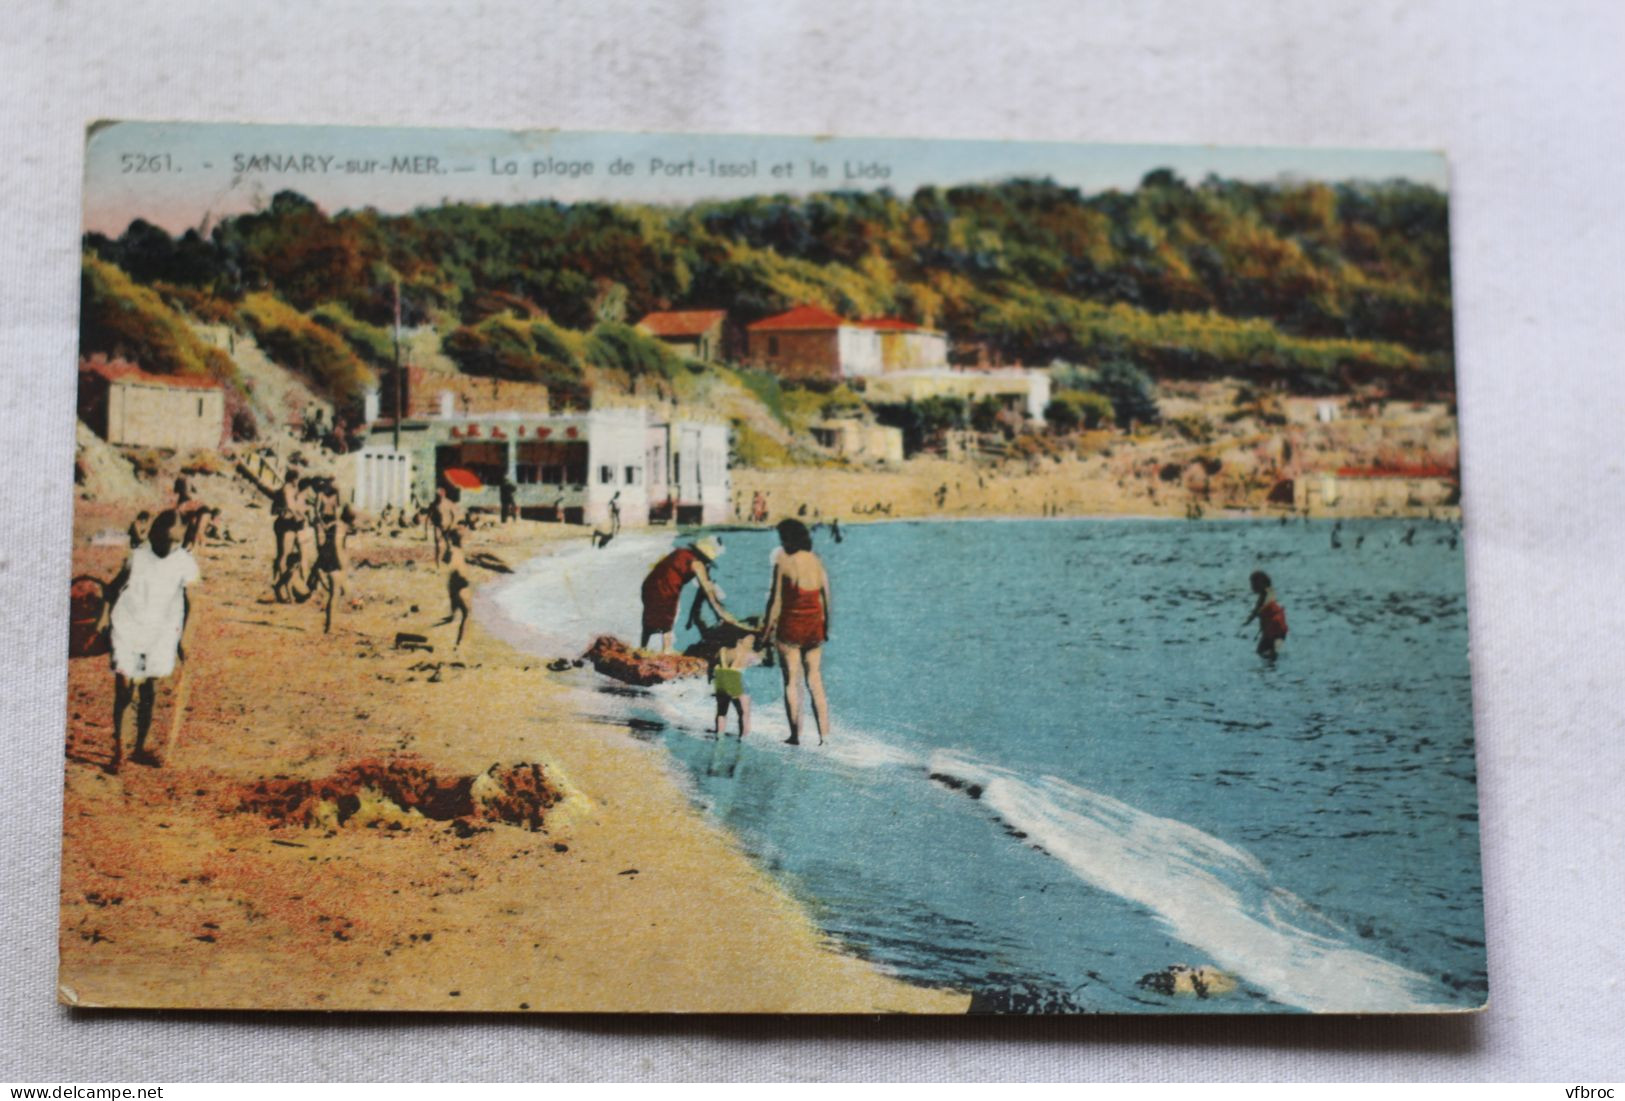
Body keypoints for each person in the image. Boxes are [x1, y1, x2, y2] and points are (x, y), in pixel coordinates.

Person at [99, 510, 199, 773]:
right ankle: (119, 750)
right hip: (128, 626)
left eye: (173, 543)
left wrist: (181, 639)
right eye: (164, 541)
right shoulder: (138, 558)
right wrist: (100, 616)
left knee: (148, 690)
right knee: (124, 687)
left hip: (160, 631)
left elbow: (189, 602)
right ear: (153, 536)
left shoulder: (183, 562)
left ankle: (140, 748)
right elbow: (112, 589)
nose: (168, 547)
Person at [761, 519, 832, 745]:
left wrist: (765, 633)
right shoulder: (817, 562)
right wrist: (826, 628)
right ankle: (825, 736)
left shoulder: (783, 562)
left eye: (782, 538)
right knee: (815, 680)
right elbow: (826, 599)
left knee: (792, 682)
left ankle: (795, 736)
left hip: (790, 627)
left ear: (788, 539)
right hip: (814, 627)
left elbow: (775, 603)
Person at [640, 536, 733, 652]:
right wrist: (720, 612)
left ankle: (643, 647)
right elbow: (707, 589)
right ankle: (666, 650)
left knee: (650, 616)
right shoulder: (698, 564)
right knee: (666, 618)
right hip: (667, 588)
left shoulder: (681, 552)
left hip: (650, 583)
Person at [709, 619, 759, 739]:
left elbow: (712, 664)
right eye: (750, 640)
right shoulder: (746, 653)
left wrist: (710, 678)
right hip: (736, 681)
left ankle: (719, 735)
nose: (752, 642)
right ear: (740, 639)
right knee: (744, 713)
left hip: (721, 681)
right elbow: (757, 661)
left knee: (721, 712)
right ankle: (743, 738)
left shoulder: (722, 651)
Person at [437, 528, 472, 649]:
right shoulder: (454, 551)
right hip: (458, 585)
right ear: (458, 539)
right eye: (463, 539)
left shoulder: (457, 550)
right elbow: (448, 561)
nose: (465, 541)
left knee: (457, 612)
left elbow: (446, 560)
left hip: (455, 585)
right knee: (467, 614)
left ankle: (451, 619)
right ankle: (459, 644)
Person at [1243, 570, 1288, 659]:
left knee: (1262, 651)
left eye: (1253, 584)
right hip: (1276, 630)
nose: (1251, 587)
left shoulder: (1265, 597)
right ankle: (1271, 668)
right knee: (1269, 652)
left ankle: (1270, 668)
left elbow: (1257, 611)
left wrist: (1248, 621)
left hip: (1272, 630)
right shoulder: (1268, 594)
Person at [429, 485, 458, 566]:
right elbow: (431, 514)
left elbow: (455, 515)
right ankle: (437, 565)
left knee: (449, 545)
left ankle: (448, 561)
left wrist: (451, 526)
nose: (439, 497)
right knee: (437, 545)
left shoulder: (449, 503)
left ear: (444, 495)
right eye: (438, 495)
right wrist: (433, 522)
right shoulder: (434, 504)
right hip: (438, 527)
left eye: (440, 495)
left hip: (448, 527)